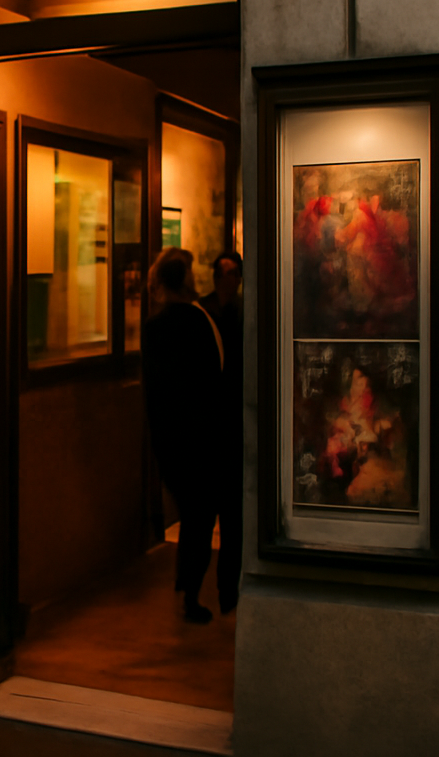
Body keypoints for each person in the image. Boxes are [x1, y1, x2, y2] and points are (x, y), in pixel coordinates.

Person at [143, 248, 226, 623]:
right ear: (186, 279)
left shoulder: (155, 327)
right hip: (202, 437)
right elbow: (214, 382)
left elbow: (156, 390)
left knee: (189, 510)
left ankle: (183, 581)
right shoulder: (200, 321)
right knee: (200, 517)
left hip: (168, 437)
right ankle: (191, 591)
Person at [197, 250, 244, 613]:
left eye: (231, 274)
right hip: (212, 424)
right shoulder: (204, 312)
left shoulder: (241, 312)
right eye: (221, 273)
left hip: (233, 424)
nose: (225, 280)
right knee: (210, 513)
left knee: (232, 516)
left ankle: (228, 591)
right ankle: (207, 590)